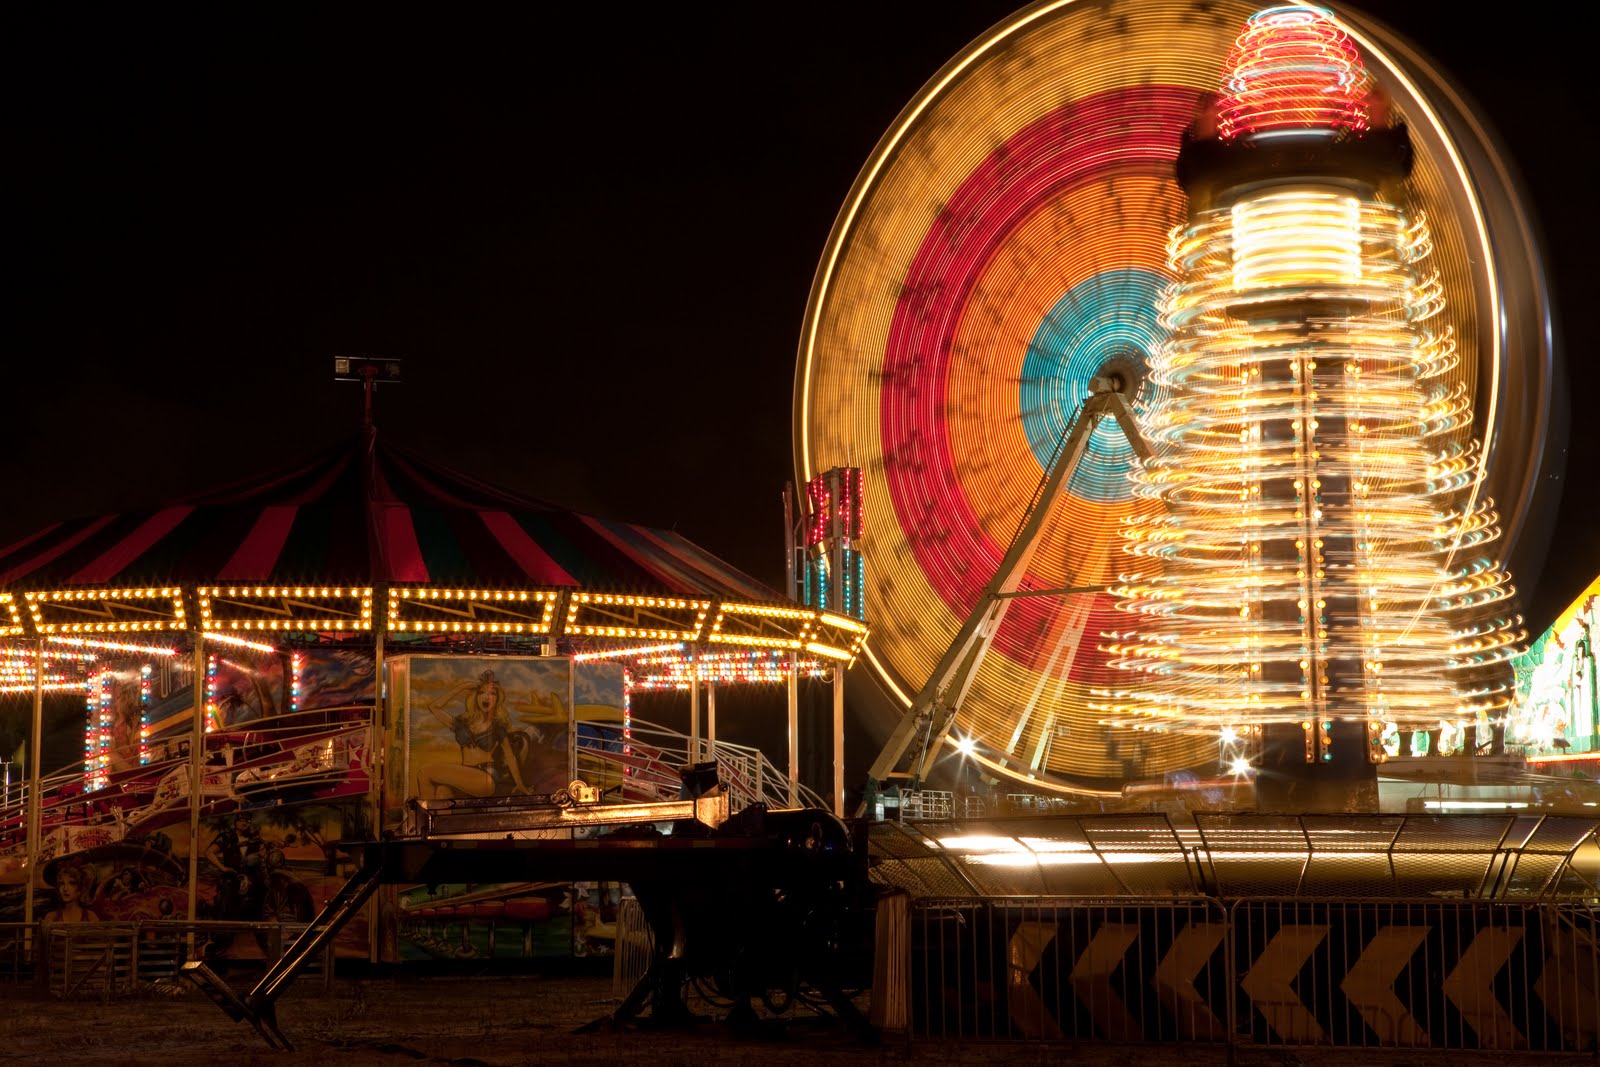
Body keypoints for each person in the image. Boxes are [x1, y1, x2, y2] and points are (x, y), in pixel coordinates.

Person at [416, 670, 531, 799]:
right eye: (482, 692)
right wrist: (462, 687)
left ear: (497, 699)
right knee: (442, 793)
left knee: (425, 772)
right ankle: (433, 818)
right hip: (466, 774)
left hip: (486, 775)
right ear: (476, 697)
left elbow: (510, 757)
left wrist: (520, 784)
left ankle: (421, 817)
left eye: (492, 694)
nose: (487, 697)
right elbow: (434, 707)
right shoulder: (462, 723)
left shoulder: (497, 727)